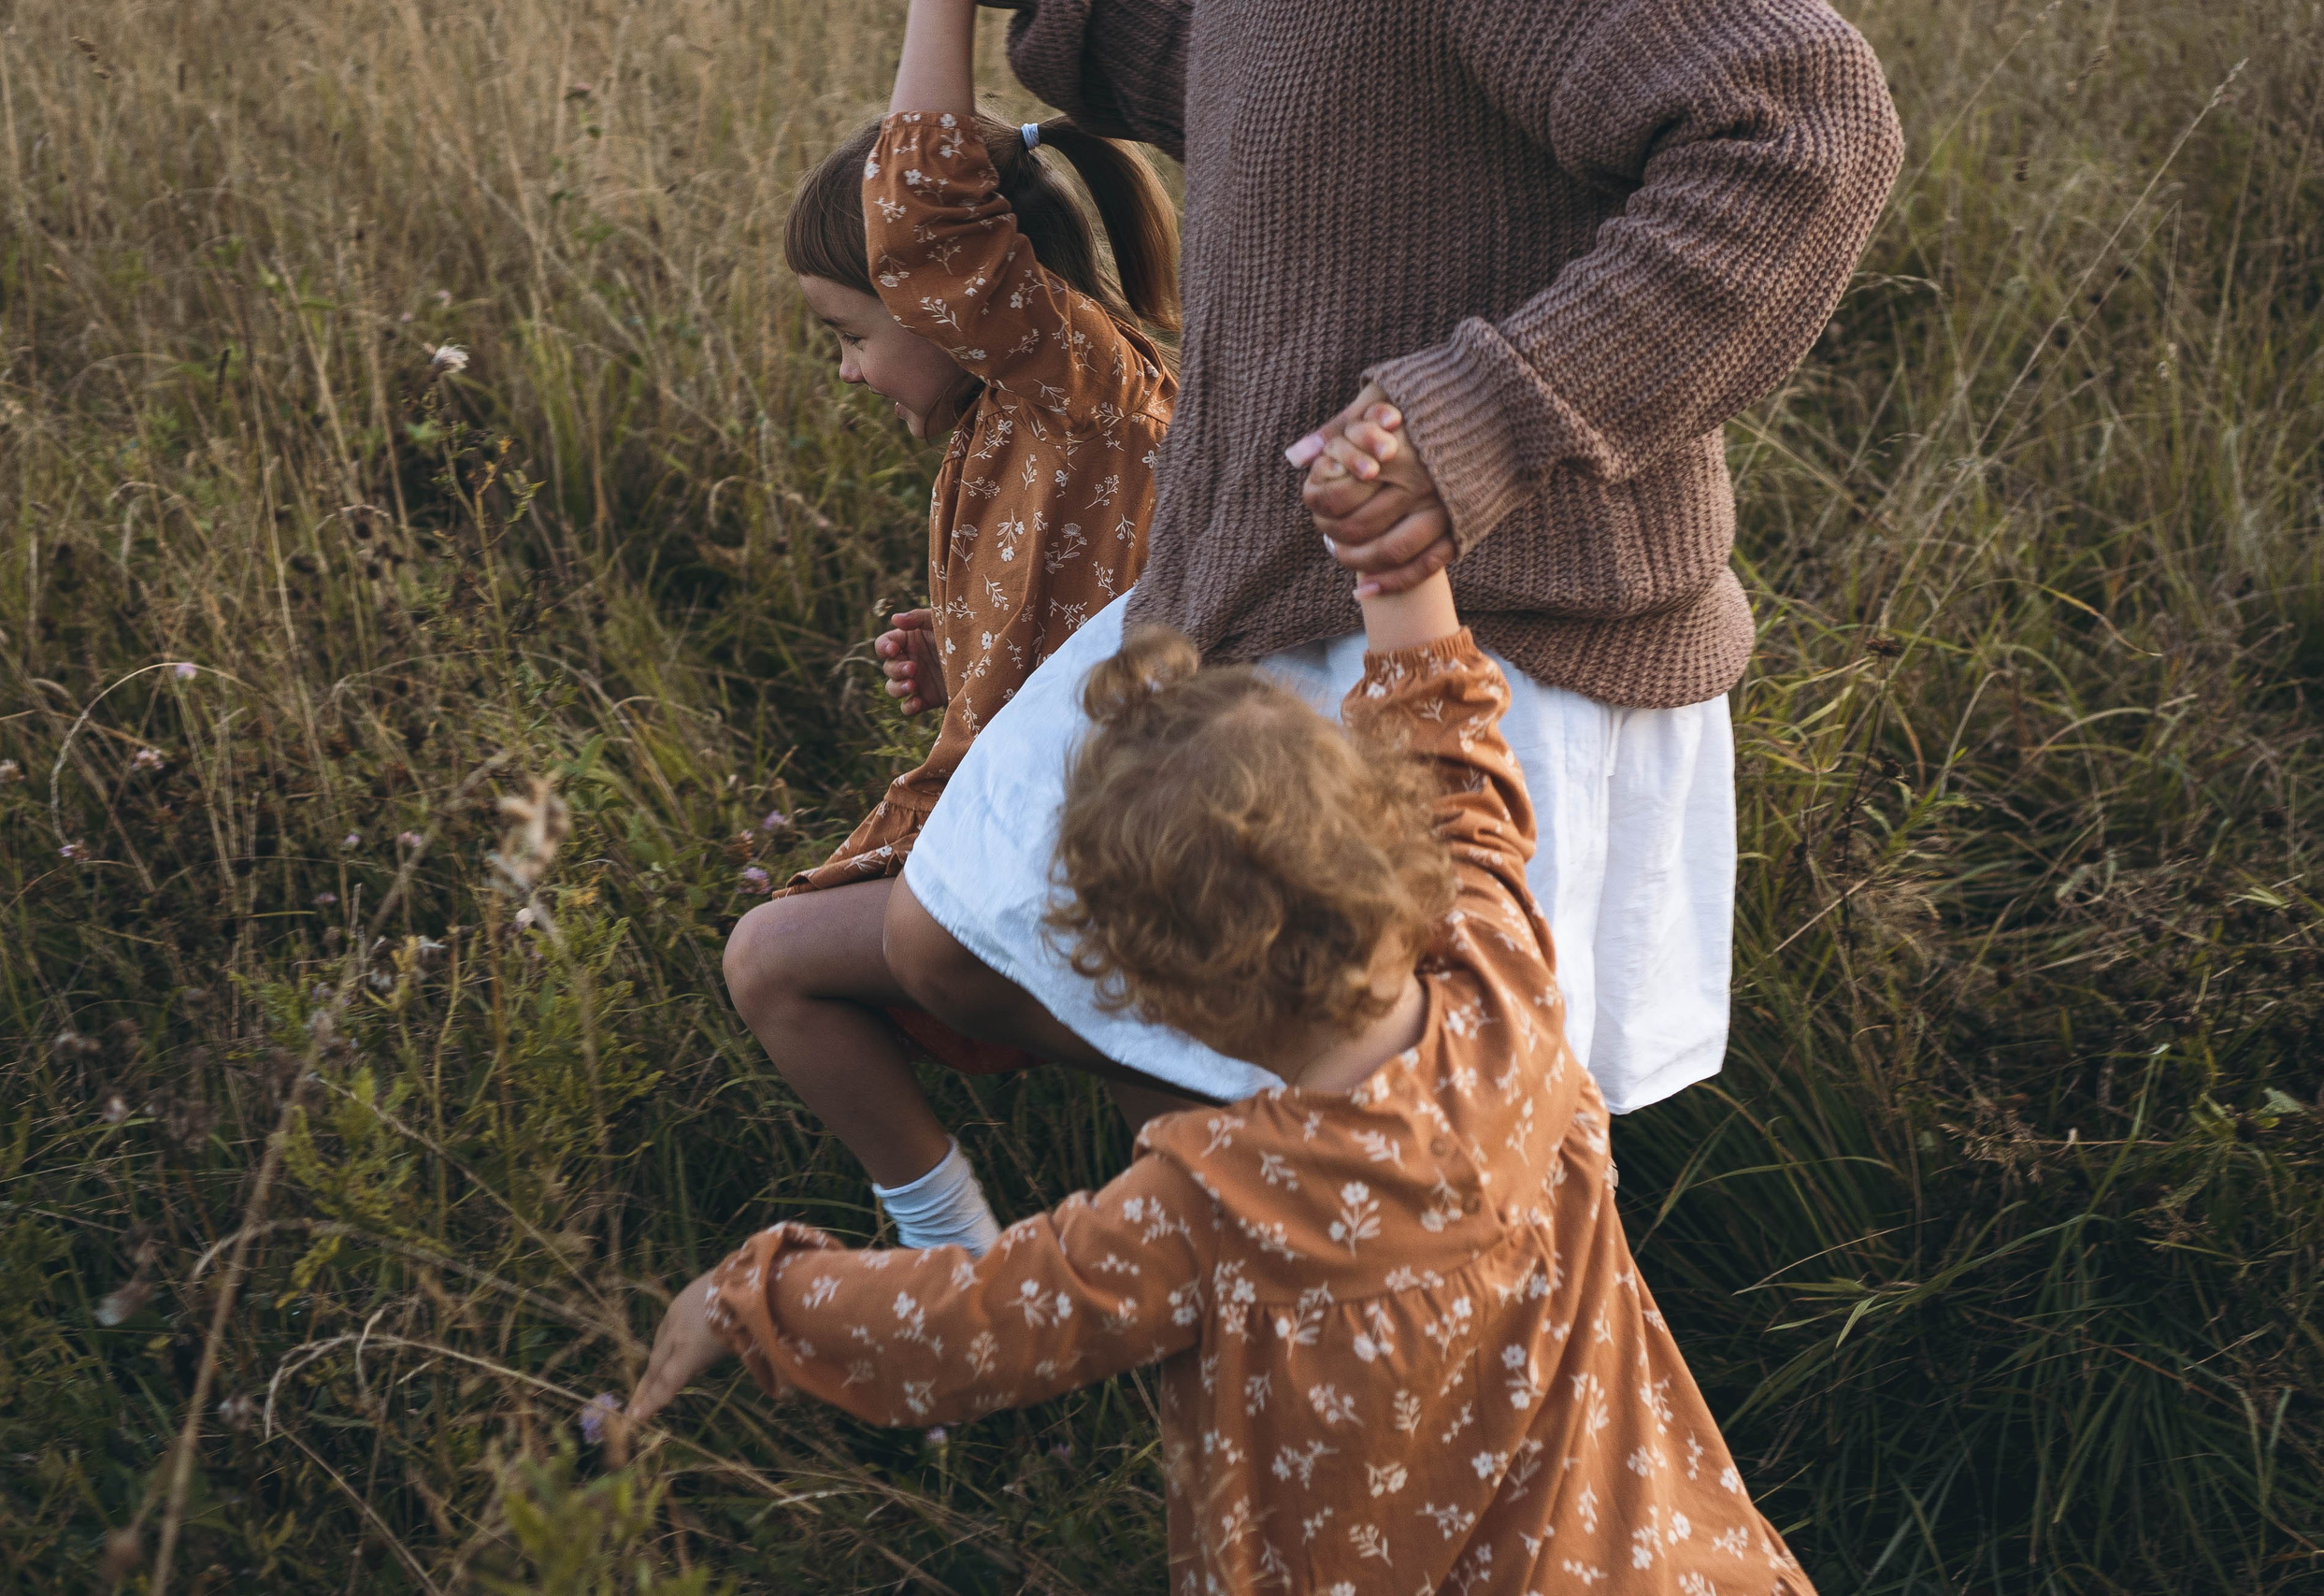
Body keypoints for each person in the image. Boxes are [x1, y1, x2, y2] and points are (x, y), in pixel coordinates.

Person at [628, 558, 1819, 1594]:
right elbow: (1456, 746)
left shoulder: (1205, 1209)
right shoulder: (1504, 988)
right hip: (1654, 1558)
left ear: (1147, 997)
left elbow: (963, 1329)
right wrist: (1393, 562)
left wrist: (752, 1295)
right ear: (1387, 836)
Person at [875, 0, 1906, 1120]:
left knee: (1443, 1136)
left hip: (1490, 612)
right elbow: (1235, 78)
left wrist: (1488, 413)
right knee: (960, 945)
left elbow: (1805, 127)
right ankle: (1232, 1239)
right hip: (1234, 581)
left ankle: (1317, 1266)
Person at [722, 0, 1180, 1256]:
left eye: (851, 335)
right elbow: (1095, 604)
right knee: (1189, 1146)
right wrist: (969, 655)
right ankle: (1054, 1282)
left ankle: (961, 1265)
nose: (850, 371)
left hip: (1114, 845)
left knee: (772, 962)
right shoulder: (1014, 423)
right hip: (1076, 820)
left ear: (954, 294)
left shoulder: (1077, 384)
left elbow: (921, 206)